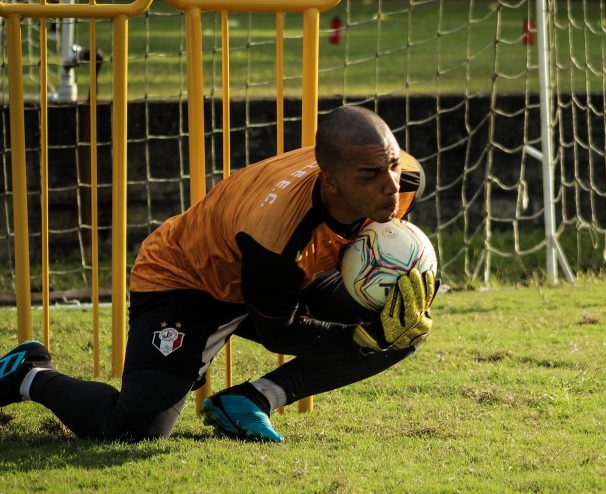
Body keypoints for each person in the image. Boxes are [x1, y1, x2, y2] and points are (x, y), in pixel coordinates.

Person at [0, 106, 438, 442]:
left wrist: (390, 310)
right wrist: (359, 338)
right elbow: (278, 332)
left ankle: (250, 400)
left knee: (405, 324)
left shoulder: (404, 178)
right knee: (132, 429)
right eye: (370, 175)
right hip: (187, 281)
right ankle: (27, 373)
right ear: (331, 181)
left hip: (282, 275)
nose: (390, 185)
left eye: (391, 165)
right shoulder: (277, 238)